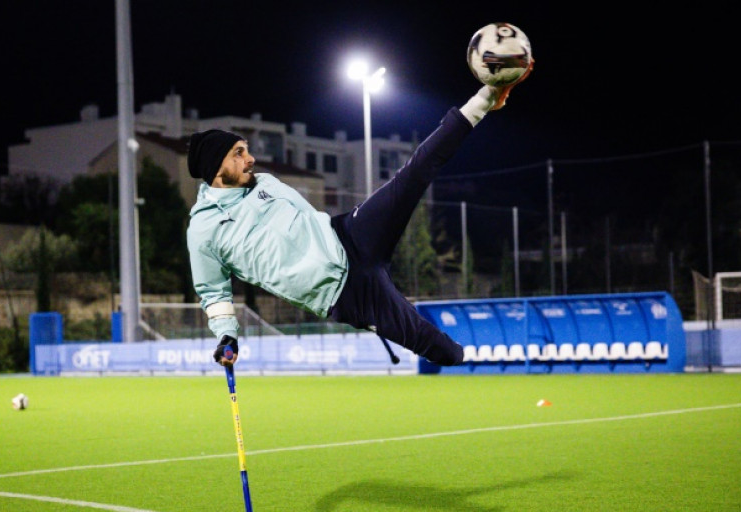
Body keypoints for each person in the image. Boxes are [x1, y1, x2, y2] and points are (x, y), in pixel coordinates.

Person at [186, 64, 532, 368]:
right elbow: (213, 293)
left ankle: (486, 98)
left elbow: (301, 225)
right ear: (216, 167)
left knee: (413, 173)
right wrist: (227, 337)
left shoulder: (265, 182)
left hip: (349, 235)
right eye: (239, 153)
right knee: (442, 351)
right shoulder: (203, 229)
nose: (250, 160)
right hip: (345, 294)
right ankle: (486, 360)